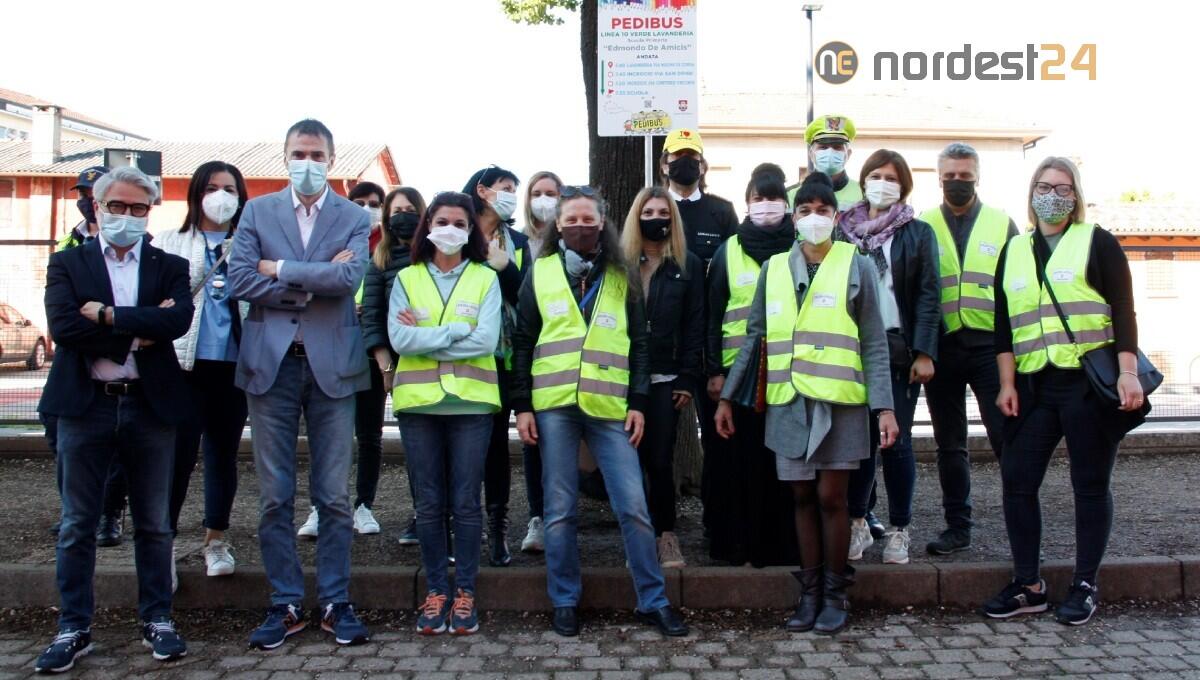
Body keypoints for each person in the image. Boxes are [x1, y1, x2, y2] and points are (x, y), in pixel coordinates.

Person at [715, 172, 897, 635]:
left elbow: (874, 343)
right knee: (799, 496)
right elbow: (754, 337)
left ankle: (835, 594)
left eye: (822, 210)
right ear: (794, 219)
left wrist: (885, 409)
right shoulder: (775, 268)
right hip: (788, 401)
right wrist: (728, 400)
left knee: (832, 498)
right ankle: (809, 592)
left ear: (836, 217)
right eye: (804, 210)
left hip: (840, 402)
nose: (813, 218)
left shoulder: (856, 264)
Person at [35, 165, 193, 672]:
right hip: (86, 405)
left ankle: (157, 619)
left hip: (150, 403)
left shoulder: (167, 264)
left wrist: (104, 315)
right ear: (98, 208)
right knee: (78, 524)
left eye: (138, 208)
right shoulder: (68, 264)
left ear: (151, 211)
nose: (127, 216)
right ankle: (73, 627)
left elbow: (176, 321)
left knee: (153, 523)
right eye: (117, 206)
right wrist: (139, 329)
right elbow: (64, 326)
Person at [512, 185, 688, 639]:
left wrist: (638, 402)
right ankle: (565, 600)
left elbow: (640, 344)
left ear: (602, 224)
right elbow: (523, 342)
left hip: (610, 408)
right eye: (571, 220)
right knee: (559, 510)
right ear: (558, 226)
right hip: (554, 408)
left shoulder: (619, 273)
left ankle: (653, 600)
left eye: (588, 220)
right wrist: (523, 406)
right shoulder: (541, 271)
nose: (579, 227)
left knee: (633, 506)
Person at [228, 119, 371, 649]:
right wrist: (309, 283)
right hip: (271, 366)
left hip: (333, 367)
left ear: (331, 159)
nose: (306, 162)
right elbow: (241, 278)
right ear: (283, 155)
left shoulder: (355, 215)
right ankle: (284, 602)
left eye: (315, 153)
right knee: (274, 496)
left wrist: (280, 268)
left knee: (334, 496)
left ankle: (335, 600)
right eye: (297, 152)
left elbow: (349, 279)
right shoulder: (257, 210)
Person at [985, 157, 1145, 626]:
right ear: (1030, 190)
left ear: (1076, 196)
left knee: (1090, 485)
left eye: (1063, 187)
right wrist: (1007, 385)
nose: (1052, 194)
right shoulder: (1013, 250)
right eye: (1043, 185)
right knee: (1017, 481)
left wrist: (1128, 372)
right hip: (1034, 386)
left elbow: (1124, 310)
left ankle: (1084, 584)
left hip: (1086, 385)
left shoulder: (1097, 242)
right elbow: (1003, 326)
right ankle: (1028, 585)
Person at [388, 191, 501, 636]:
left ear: (471, 230)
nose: (450, 229)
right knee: (430, 503)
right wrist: (457, 331)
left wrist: (430, 334)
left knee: (466, 502)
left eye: (460, 222)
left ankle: (466, 591)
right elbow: (400, 340)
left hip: (471, 402)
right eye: (442, 220)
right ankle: (437, 590)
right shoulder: (408, 277)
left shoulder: (484, 278)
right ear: (428, 225)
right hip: (419, 405)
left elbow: (486, 341)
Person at [840, 149, 940, 567]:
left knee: (894, 442)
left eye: (891, 177)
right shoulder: (844, 230)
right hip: (852, 350)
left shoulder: (917, 232)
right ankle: (858, 521)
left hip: (898, 351)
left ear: (903, 186)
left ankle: (899, 528)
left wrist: (924, 352)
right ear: (863, 180)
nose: (882, 182)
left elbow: (929, 294)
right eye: (875, 175)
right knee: (858, 445)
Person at [919, 143, 1019, 556]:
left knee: (1007, 438)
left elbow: (1019, 287)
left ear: (978, 177)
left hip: (990, 348)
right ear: (938, 176)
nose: (957, 182)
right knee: (949, 443)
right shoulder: (922, 224)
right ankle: (957, 527)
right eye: (950, 176)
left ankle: (1021, 526)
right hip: (941, 347)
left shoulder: (1002, 223)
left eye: (965, 176)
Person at [157, 161, 250, 582]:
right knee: (176, 457)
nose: (221, 196)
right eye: (212, 187)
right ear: (196, 193)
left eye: (229, 188)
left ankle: (216, 539)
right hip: (182, 365)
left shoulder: (251, 244)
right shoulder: (167, 242)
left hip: (233, 365)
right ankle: (163, 544)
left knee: (222, 455)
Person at [703, 171, 801, 567]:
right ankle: (737, 543)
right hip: (737, 375)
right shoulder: (729, 250)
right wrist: (715, 371)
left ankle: (780, 546)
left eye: (773, 197)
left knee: (782, 462)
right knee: (738, 465)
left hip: (787, 372)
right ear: (746, 203)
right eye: (758, 198)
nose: (766, 205)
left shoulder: (800, 247)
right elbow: (713, 315)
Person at [296, 180, 390, 538]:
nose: (367, 208)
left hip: (370, 349)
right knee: (325, 433)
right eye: (360, 202)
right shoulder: (329, 240)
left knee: (370, 434)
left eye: (375, 202)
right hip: (330, 347)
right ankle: (320, 506)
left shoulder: (389, 247)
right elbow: (307, 287)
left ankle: (364, 505)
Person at [619, 186, 704, 568]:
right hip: (621, 377)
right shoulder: (619, 267)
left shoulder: (689, 266)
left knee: (659, 459)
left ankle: (665, 536)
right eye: (649, 212)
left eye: (664, 212)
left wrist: (687, 376)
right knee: (625, 461)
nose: (657, 219)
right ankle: (636, 537)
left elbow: (695, 326)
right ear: (637, 218)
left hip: (666, 377)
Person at [45, 165, 130, 546]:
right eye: (82, 192)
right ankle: (77, 509)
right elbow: (63, 317)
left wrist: (111, 318)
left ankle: (110, 513)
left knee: (120, 445)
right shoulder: (68, 245)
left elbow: (137, 311)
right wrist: (120, 327)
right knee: (56, 426)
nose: (84, 199)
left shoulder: (137, 246)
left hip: (120, 368)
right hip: (72, 358)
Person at [464, 165, 533, 567]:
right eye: (505, 188)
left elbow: (525, 294)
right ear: (483, 190)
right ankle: (464, 525)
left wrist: (504, 264)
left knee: (496, 448)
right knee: (465, 445)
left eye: (513, 190)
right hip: (466, 354)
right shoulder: (456, 231)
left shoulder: (519, 241)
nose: (510, 195)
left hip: (505, 356)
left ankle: (498, 529)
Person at [360, 186, 426, 546]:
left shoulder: (434, 254)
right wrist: (386, 365)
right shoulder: (380, 258)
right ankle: (420, 514)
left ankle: (433, 515)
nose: (402, 215)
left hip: (433, 356)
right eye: (395, 209)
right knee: (414, 443)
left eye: (410, 208)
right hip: (398, 364)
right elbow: (371, 316)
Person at [517, 170, 563, 554]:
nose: (544, 199)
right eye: (538, 193)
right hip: (527, 351)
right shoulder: (518, 244)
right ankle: (538, 517)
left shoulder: (573, 245)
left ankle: (562, 516)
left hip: (564, 360)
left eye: (551, 193)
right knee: (533, 441)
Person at [787, 115, 862, 212]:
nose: (830, 152)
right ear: (811, 154)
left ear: (848, 154)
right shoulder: (791, 195)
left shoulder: (863, 193)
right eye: (823, 147)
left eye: (837, 147)